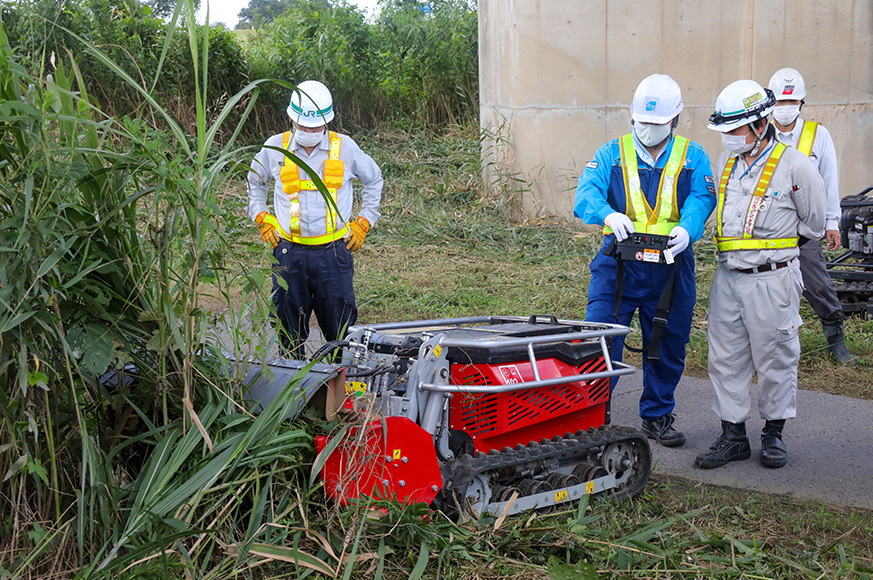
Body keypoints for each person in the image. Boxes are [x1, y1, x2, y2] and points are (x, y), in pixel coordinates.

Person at [575, 74, 716, 448]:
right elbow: (585, 193)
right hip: (617, 267)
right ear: (631, 117)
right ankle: (592, 417)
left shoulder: (693, 155)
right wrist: (606, 214)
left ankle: (656, 415)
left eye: (656, 124)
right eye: (642, 122)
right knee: (601, 341)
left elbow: (702, 198)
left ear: (675, 120)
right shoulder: (611, 153)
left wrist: (689, 229)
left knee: (668, 343)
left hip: (670, 267)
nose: (648, 130)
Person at [698, 79, 825, 470]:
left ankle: (773, 434)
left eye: (735, 130)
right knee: (725, 358)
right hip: (729, 277)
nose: (729, 139)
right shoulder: (727, 163)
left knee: (775, 357)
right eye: (724, 131)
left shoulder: (796, 164)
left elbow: (814, 222)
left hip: (773, 280)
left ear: (759, 123)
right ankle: (733, 435)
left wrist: (775, 252)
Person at [247, 80, 383, 358]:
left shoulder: (345, 148)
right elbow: (254, 182)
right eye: (304, 127)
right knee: (288, 330)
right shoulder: (274, 148)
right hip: (288, 254)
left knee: (340, 331)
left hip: (333, 254)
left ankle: (337, 391)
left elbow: (374, 180)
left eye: (316, 128)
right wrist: (261, 215)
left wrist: (364, 221)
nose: (310, 133)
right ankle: (294, 390)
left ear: (327, 122)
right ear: (291, 120)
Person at [768, 67, 858, 365]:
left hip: (805, 228)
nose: (785, 108)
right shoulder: (759, 135)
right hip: (767, 230)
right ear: (770, 103)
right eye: (780, 102)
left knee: (817, 285)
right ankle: (768, 347)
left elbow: (828, 180)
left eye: (791, 102)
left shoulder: (818, 135)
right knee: (767, 290)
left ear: (802, 103)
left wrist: (831, 223)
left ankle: (837, 343)